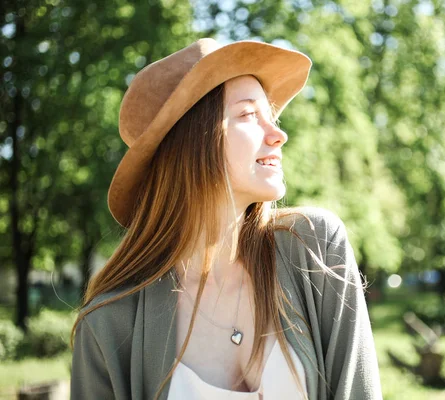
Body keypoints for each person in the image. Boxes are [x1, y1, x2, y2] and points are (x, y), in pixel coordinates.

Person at [70, 38, 382, 400]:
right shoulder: (109, 325)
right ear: (192, 140)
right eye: (250, 114)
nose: (278, 135)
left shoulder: (314, 247)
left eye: (273, 116)